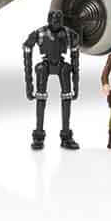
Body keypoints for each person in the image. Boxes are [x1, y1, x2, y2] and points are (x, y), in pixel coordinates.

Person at [22, 9, 81, 151]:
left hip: (62, 65)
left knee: (66, 95)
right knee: (41, 95)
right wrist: (29, 84)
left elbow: (75, 58)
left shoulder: (69, 33)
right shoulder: (40, 33)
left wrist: (75, 85)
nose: (56, 22)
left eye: (59, 20)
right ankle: (38, 136)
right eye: (54, 19)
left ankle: (66, 136)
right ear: (49, 20)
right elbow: (27, 47)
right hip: (45, 65)